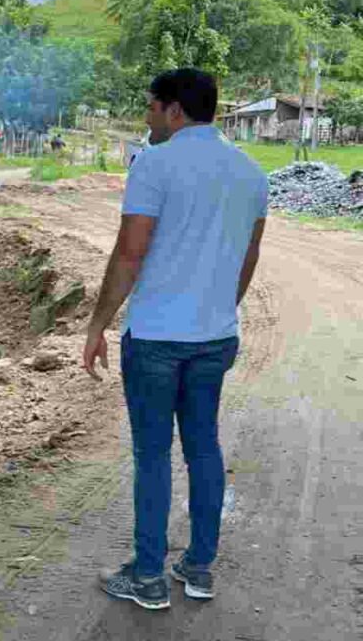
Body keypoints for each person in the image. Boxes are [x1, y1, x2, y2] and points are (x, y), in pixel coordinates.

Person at [82, 68, 268, 611]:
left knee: (153, 456)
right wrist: (218, 310)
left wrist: (97, 325)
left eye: (149, 107)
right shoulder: (252, 173)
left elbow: (129, 254)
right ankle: (199, 568)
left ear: (174, 111)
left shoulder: (154, 164)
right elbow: (249, 257)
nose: (146, 117)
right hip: (215, 339)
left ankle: (147, 576)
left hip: (158, 339)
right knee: (204, 447)